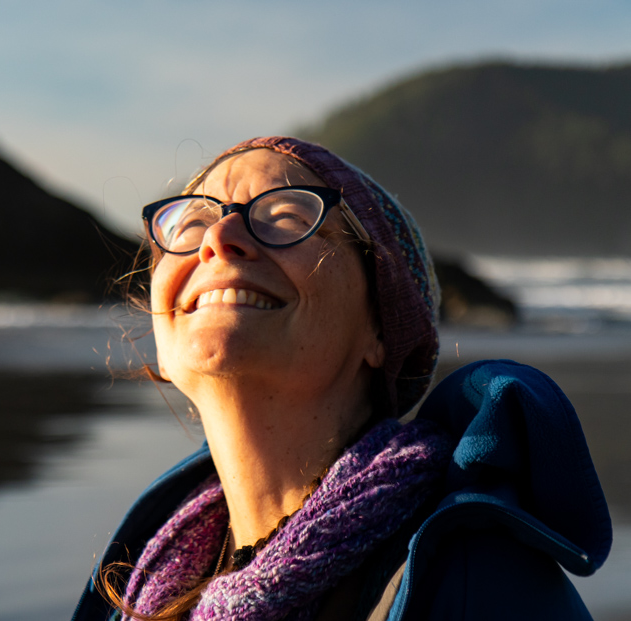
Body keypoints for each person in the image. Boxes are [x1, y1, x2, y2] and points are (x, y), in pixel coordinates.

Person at [71, 136, 612, 621]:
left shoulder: (474, 578)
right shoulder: (140, 582)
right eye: (189, 224)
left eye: (284, 215)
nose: (219, 236)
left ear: (382, 325)